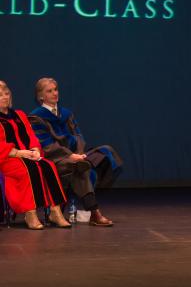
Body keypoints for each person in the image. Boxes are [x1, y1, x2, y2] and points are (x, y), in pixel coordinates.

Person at [29, 77, 122, 226]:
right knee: (81, 169)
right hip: (55, 159)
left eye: (56, 89)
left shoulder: (66, 113)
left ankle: (83, 162)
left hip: (76, 156)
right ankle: (94, 212)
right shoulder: (36, 117)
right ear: (41, 96)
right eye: (49, 91)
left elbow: (78, 136)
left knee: (105, 151)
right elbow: (47, 145)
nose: (55, 93)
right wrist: (70, 156)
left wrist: (79, 153)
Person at [0, 80, 70, 230]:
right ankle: (30, 213)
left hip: (27, 155)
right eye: (0, 95)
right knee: (28, 169)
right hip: (7, 159)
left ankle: (55, 211)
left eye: (6, 94)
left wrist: (35, 149)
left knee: (48, 165)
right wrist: (19, 153)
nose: (5, 97)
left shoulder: (19, 115)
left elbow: (31, 135)